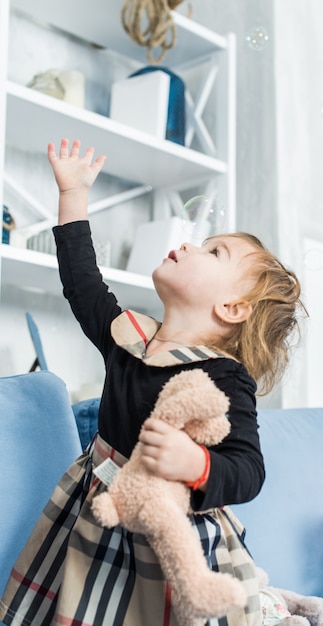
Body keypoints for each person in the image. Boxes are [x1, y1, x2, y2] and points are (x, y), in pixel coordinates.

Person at [0, 138, 305, 626]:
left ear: (231, 309)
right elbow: (81, 281)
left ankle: (274, 608)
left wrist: (197, 463)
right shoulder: (129, 337)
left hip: (172, 535)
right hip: (98, 508)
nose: (188, 244)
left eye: (213, 251)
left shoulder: (224, 376)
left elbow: (248, 469)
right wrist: (72, 195)